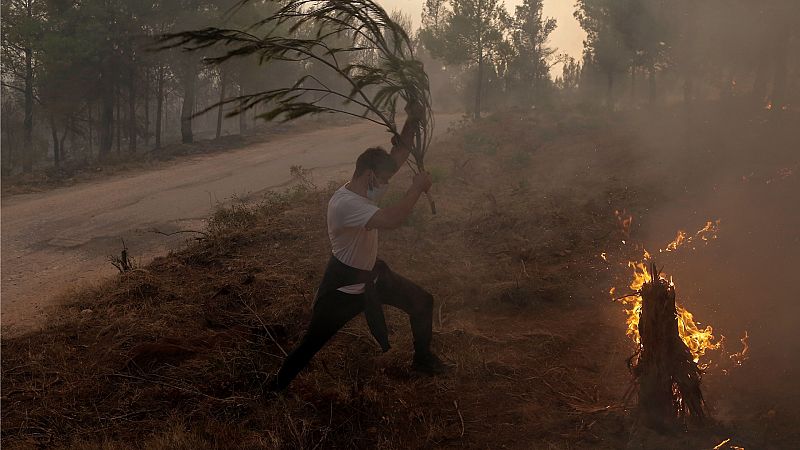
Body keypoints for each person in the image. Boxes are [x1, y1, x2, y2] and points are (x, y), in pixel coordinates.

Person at [271, 103, 448, 391]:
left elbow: (398, 156)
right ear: (368, 174)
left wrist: (412, 120)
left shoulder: (366, 187)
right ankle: (274, 389)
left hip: (372, 277)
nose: (385, 183)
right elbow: (391, 220)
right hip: (343, 290)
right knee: (310, 345)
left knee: (423, 302)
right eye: (382, 178)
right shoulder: (346, 204)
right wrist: (416, 188)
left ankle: (423, 360)